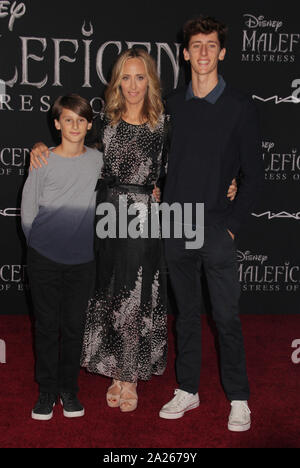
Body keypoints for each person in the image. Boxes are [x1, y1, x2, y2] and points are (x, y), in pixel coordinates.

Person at [30, 48, 237, 414]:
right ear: (117, 82)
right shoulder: (105, 123)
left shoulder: (164, 124)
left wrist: (228, 182)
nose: (132, 85)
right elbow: (72, 150)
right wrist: (38, 147)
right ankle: (114, 373)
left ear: (150, 81)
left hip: (145, 217)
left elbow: (193, 162)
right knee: (110, 292)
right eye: (125, 77)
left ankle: (130, 376)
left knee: (140, 295)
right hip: (107, 215)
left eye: (140, 77)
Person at [159, 16, 264, 431]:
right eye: (195, 45)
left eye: (210, 45)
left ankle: (238, 397)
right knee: (184, 314)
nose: (203, 52)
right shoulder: (170, 105)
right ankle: (188, 388)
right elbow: (155, 162)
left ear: (222, 52)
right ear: (184, 53)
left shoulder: (240, 106)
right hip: (176, 226)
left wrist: (233, 225)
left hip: (218, 227)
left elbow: (254, 175)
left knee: (226, 318)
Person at [21, 94, 103, 420]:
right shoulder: (43, 160)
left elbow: (124, 185)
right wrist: (40, 246)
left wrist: (153, 191)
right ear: (57, 124)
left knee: (74, 328)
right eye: (67, 119)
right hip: (44, 258)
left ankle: (68, 389)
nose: (74, 125)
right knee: (46, 327)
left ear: (89, 125)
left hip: (83, 261)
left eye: (80, 120)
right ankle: (46, 391)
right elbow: (28, 211)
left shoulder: (98, 161)